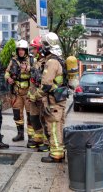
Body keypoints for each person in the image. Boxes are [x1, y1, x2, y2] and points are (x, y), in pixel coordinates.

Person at [37, 32, 67, 163]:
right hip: (60, 100)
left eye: (43, 45)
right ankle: (59, 151)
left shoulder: (52, 62)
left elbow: (46, 85)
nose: (41, 48)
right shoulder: (60, 60)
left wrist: (34, 96)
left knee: (53, 127)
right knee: (58, 126)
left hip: (53, 101)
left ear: (47, 46)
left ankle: (55, 154)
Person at [4, 39, 34, 144]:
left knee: (30, 115)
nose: (21, 51)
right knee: (17, 114)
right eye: (19, 49)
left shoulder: (31, 59)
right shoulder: (13, 60)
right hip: (16, 92)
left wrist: (27, 68)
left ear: (26, 50)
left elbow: (36, 72)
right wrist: (8, 78)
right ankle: (20, 134)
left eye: (23, 49)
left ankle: (31, 136)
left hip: (28, 93)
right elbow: (7, 72)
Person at [27, 36, 50, 152]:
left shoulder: (46, 62)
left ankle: (47, 142)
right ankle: (38, 137)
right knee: (34, 117)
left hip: (41, 96)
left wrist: (36, 95)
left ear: (41, 49)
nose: (33, 51)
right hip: (33, 95)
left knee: (44, 118)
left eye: (35, 48)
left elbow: (43, 81)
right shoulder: (36, 61)